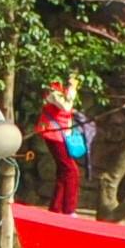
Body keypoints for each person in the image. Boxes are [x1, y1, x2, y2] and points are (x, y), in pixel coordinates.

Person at [35, 80, 88, 215]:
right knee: (71, 171)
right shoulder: (52, 90)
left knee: (63, 172)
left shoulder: (61, 90)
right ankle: (69, 209)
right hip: (54, 134)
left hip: (60, 134)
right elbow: (65, 105)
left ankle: (56, 208)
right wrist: (72, 88)